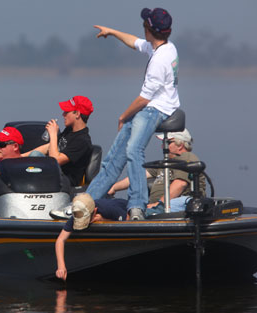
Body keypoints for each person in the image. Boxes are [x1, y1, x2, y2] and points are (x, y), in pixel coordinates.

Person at [86, 7, 181, 220]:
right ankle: (86, 202)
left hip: (157, 109)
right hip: (147, 108)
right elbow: (135, 42)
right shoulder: (164, 46)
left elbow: (144, 99)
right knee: (113, 160)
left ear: (149, 28)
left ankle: (137, 205)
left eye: (144, 25)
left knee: (134, 150)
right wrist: (112, 31)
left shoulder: (160, 60)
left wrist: (122, 117)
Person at [108, 129, 206, 214]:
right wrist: (113, 187)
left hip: (178, 203)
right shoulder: (165, 164)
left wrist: (160, 204)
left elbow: (180, 184)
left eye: (166, 142)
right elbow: (138, 176)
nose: (162, 147)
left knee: (143, 214)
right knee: (118, 207)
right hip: (159, 205)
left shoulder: (186, 158)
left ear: (180, 145)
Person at [55, 193, 128, 281]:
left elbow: (127, 219)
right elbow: (60, 239)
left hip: (126, 206)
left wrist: (105, 220)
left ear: (95, 211)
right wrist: (61, 267)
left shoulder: (108, 209)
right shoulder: (77, 213)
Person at [24, 95, 94, 186]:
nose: (63, 114)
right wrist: (20, 157)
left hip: (66, 181)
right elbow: (49, 147)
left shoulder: (82, 141)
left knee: (35, 159)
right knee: (35, 156)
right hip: (54, 173)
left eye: (66, 111)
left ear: (77, 114)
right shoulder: (69, 130)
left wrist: (53, 134)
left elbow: (55, 160)